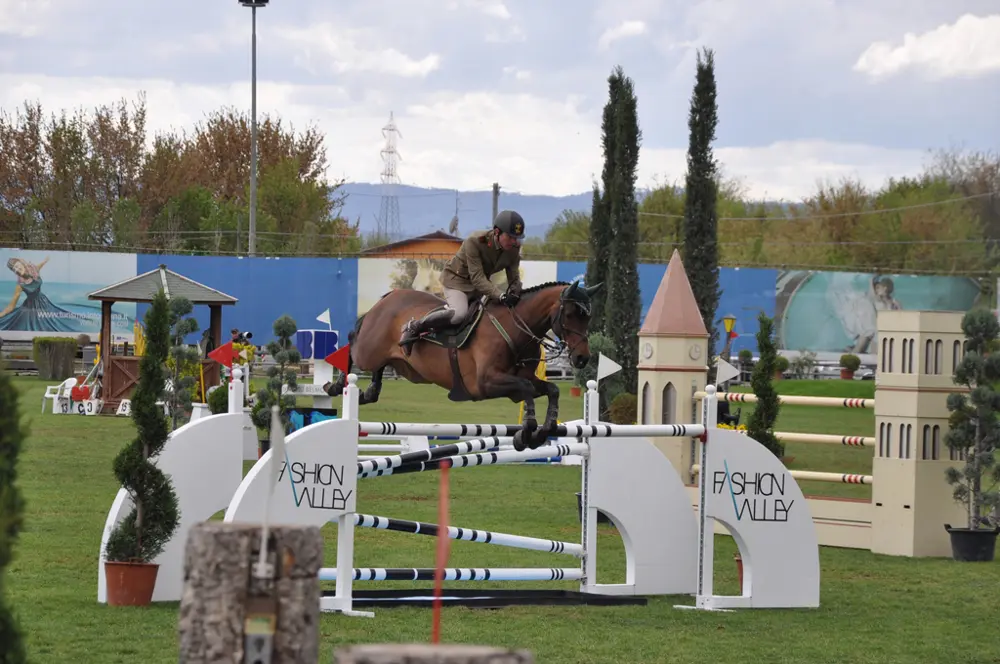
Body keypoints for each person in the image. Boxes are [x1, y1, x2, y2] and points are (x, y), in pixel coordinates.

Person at [399, 210, 525, 354]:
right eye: (510, 237)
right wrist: (501, 295)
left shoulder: (513, 249)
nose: (515, 242)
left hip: (480, 287)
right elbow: (477, 278)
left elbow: (514, 278)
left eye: (517, 238)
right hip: (457, 282)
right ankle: (414, 326)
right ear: (497, 232)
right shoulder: (476, 241)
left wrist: (515, 293)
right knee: (459, 314)